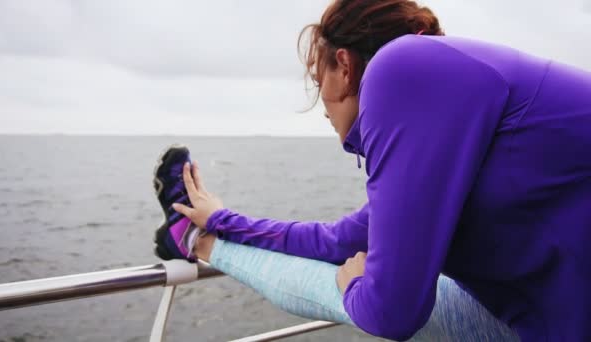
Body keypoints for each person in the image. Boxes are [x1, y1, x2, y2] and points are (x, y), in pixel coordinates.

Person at [153, 0, 591, 341]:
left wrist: (353, 285)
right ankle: (197, 236)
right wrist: (223, 219)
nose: (319, 98)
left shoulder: (398, 67)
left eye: (316, 73)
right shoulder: (447, 128)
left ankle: (196, 241)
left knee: (351, 286)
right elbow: (337, 240)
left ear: (343, 65)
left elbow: (391, 311)